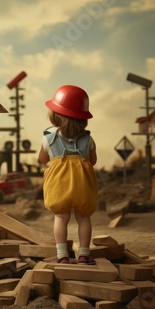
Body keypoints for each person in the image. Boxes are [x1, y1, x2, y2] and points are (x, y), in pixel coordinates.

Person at [38, 85, 98, 264]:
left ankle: (62, 255)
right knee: (83, 218)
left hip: (59, 187)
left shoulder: (48, 138)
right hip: (83, 187)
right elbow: (92, 161)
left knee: (61, 218)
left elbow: (42, 160)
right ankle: (84, 255)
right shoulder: (89, 139)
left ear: (55, 114)